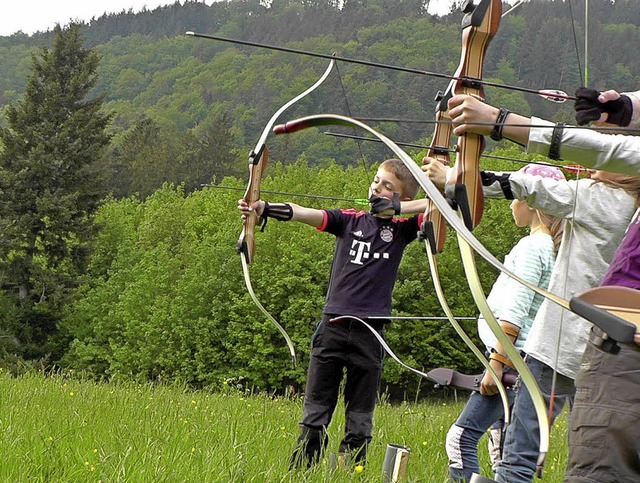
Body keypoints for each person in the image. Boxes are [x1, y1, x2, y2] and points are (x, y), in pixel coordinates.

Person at [441, 90, 640, 483]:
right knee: (565, 449)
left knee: (519, 456)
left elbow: (534, 189)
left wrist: (461, 177)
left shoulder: (599, 198)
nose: (591, 166)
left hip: (557, 352)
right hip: (598, 350)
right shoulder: (626, 209)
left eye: (605, 156)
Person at [238, 159, 425, 468]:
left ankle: (349, 472)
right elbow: (305, 213)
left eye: (388, 186)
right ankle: (302, 472)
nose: (377, 187)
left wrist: (401, 207)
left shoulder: (403, 229)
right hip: (332, 328)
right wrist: (264, 208)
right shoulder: (349, 221)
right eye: (376, 181)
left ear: (403, 199)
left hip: (370, 333)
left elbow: (444, 206)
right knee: (314, 416)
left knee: (360, 420)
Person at [443, 164, 564, 482]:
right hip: (522, 365)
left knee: (460, 440)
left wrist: (496, 365)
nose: (511, 203)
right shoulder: (554, 249)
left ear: (531, 201)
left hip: (510, 363)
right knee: (501, 454)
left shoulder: (532, 247)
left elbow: (516, 313)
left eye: (515, 195)